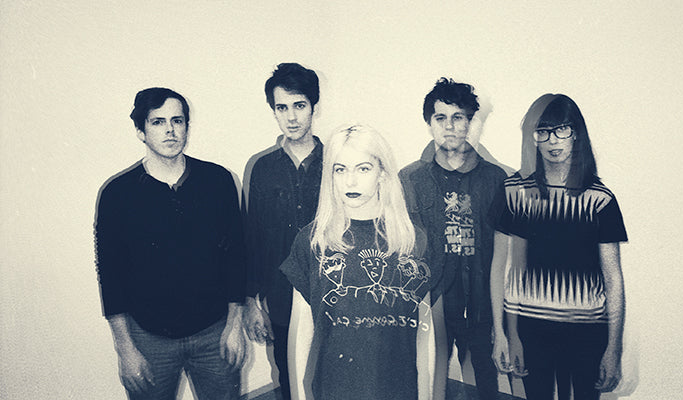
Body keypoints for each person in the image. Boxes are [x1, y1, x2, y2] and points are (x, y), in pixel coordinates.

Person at [94, 87, 247, 399]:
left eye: (177, 121)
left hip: (214, 333)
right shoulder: (117, 194)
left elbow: (236, 257)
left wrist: (235, 326)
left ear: (187, 127)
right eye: (158, 122)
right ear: (141, 131)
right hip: (149, 339)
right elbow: (110, 275)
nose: (170, 130)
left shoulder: (218, 181)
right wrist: (125, 349)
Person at [281, 125, 446, 400]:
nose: (350, 181)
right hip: (335, 389)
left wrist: (426, 396)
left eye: (363, 169)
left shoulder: (415, 241)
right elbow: (301, 333)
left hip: (397, 389)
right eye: (340, 169)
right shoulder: (312, 241)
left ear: (382, 173)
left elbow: (424, 332)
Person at [490, 94, 627, 399]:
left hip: (587, 331)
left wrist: (613, 348)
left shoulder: (600, 199)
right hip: (530, 329)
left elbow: (613, 277)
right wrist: (502, 333)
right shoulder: (514, 192)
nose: (553, 140)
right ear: (533, 138)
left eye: (561, 129)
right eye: (543, 131)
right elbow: (500, 266)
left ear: (576, 133)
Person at [399, 78, 505, 399]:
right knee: (430, 384)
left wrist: (501, 324)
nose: (449, 126)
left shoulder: (496, 179)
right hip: (433, 304)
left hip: (482, 304)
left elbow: (504, 257)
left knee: (487, 384)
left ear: (470, 122)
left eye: (458, 117)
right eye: (440, 118)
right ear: (429, 123)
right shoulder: (410, 179)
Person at [244, 62, 322, 400]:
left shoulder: (336, 163)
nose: (291, 117)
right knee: (290, 380)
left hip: (332, 295)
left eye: (299, 105)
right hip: (281, 298)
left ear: (313, 106)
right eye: (282, 107)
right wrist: (251, 302)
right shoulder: (261, 168)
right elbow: (253, 239)